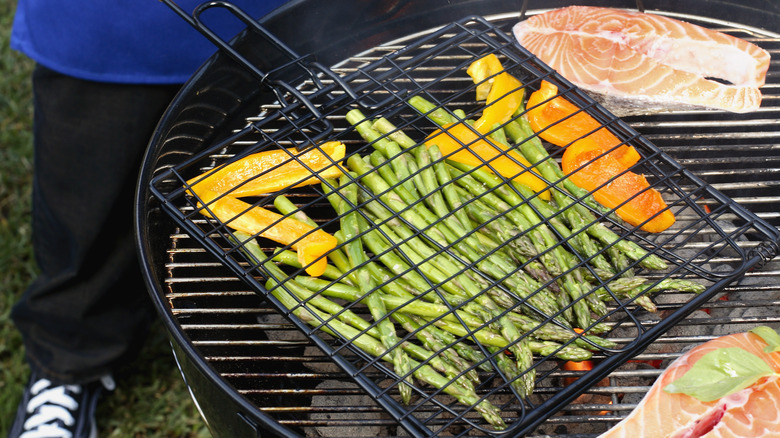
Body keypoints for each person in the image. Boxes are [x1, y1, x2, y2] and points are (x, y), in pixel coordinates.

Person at [7, 1, 288, 437]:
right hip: (108, 17)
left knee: (284, 182)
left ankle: (280, 353)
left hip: (268, 19)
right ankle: (70, 360)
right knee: (89, 197)